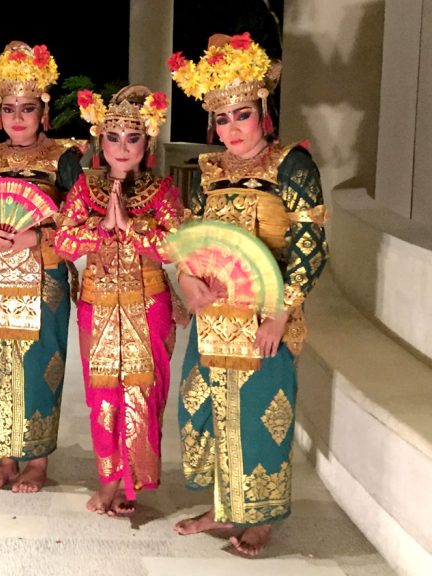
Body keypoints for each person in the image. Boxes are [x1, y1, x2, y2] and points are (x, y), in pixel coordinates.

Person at [169, 32, 328, 555]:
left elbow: (310, 246)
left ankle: (258, 518)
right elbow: (189, 239)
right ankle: (221, 506)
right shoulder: (210, 172)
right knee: (206, 407)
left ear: (264, 114)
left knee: (262, 411)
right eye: (222, 118)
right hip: (214, 314)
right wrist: (188, 283)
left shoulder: (292, 166)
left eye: (242, 114)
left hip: (266, 313)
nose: (232, 129)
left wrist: (281, 314)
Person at [54, 85, 184, 515]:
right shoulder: (86, 189)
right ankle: (109, 481)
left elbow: (176, 248)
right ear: (100, 142)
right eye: (113, 138)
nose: (122, 147)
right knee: (101, 396)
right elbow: (63, 243)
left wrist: (130, 226)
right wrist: (98, 227)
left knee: (145, 395)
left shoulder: (162, 191)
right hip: (99, 304)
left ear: (147, 143)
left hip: (150, 305)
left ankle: (135, 481)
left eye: (133, 138)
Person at [0, 41, 81, 493]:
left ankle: (37, 462)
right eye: (9, 109)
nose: (17, 118)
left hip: (44, 274)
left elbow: (78, 220)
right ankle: (5, 457)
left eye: (27, 109)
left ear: (43, 112)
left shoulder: (62, 157)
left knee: (39, 363)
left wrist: (41, 236)